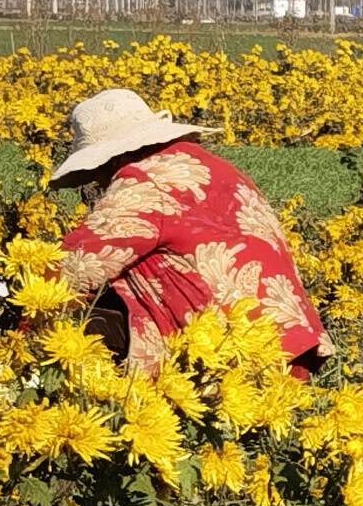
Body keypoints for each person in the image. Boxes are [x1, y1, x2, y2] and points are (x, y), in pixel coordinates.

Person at [40, 88, 325, 376]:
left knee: (72, 326)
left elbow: (73, 267)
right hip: (287, 341)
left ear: (111, 158)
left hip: (227, 356)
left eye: (95, 172)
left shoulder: (144, 181)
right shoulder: (215, 167)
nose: (99, 184)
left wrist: (25, 329)